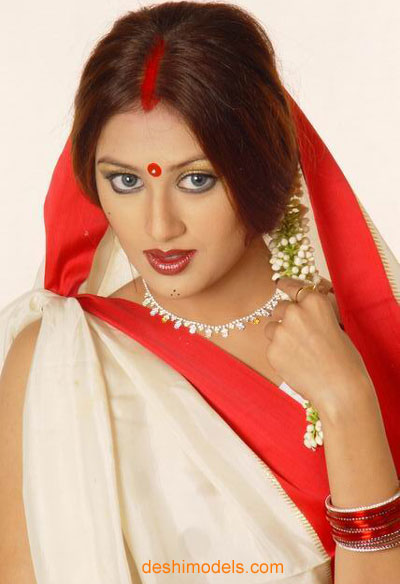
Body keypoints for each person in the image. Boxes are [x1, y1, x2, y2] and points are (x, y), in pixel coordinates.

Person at [1, 2, 400, 582]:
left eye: (196, 179)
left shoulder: (355, 340)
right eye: (125, 180)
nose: (159, 226)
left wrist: (348, 405)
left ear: (262, 169)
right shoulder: (60, 359)